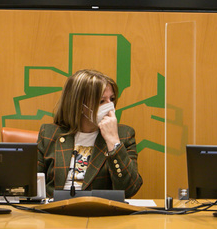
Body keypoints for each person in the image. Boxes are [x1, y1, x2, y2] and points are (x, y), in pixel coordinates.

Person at [37, 69, 142, 198]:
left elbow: (130, 188)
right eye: (101, 101)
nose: (110, 106)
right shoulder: (49, 133)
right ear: (79, 105)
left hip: (100, 212)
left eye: (112, 99)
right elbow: (32, 186)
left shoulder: (124, 134)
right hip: (56, 211)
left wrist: (113, 142)